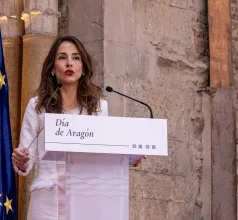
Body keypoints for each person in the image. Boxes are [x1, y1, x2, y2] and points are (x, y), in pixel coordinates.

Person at [12, 36, 144, 220]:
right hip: (47, 204)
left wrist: (128, 157)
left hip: (86, 199)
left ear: (83, 68)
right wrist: (21, 159)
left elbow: (102, 152)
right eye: (62, 57)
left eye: (75, 58)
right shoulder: (38, 106)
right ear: (52, 68)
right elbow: (26, 158)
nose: (69, 63)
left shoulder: (98, 107)